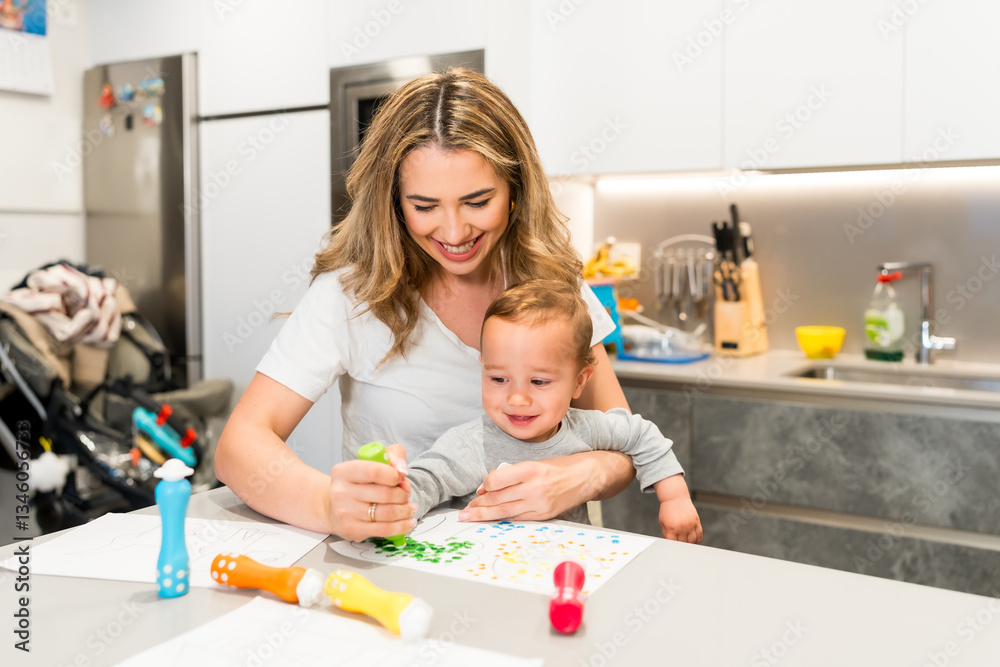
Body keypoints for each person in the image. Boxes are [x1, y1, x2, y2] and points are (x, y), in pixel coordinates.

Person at [214, 68, 636, 541]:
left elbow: (623, 444)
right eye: (425, 206)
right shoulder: (351, 294)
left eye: (478, 202)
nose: (454, 233)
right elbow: (238, 446)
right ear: (393, 201)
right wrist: (327, 506)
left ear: (515, 189)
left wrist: (580, 476)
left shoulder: (552, 286)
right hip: (404, 568)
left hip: (545, 569)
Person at [398, 280, 702, 543]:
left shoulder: (587, 428)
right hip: (491, 574)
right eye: (498, 379)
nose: (517, 398)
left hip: (573, 570)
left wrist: (674, 497)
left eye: (539, 381)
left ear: (579, 382)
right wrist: (394, 499)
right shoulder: (470, 444)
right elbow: (427, 481)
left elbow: (642, 435)